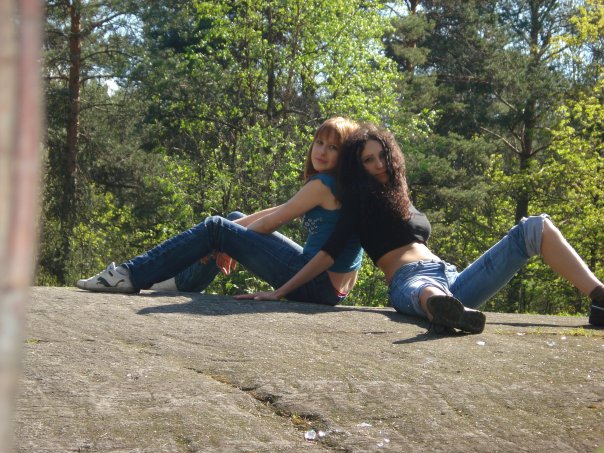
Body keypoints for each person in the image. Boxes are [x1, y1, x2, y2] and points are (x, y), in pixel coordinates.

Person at [236, 124, 604, 331]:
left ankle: (599, 296)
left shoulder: (401, 196)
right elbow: (329, 253)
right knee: (425, 290)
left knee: (535, 227)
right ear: (357, 167)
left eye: (382, 155)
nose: (379, 164)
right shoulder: (357, 201)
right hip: (408, 280)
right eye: (368, 160)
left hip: (453, 276)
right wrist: (280, 292)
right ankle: (444, 311)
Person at [76, 117, 363, 305]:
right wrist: (233, 234)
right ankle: (178, 283)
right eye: (319, 142)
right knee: (234, 220)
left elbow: (268, 225)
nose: (321, 151)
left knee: (216, 227)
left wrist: (226, 240)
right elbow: (280, 210)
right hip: (326, 287)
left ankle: (130, 275)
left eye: (333, 147)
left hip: (314, 283)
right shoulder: (336, 186)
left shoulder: (323, 184)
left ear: (345, 156)